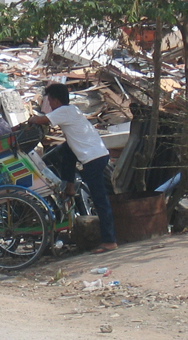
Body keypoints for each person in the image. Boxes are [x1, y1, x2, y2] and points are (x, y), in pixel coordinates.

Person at [25, 83, 117, 254]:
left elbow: (41, 119)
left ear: (55, 100)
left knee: (100, 200)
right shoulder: (72, 110)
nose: (49, 105)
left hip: (93, 159)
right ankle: (69, 186)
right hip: (97, 154)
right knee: (66, 150)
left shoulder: (63, 111)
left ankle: (109, 240)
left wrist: (31, 120)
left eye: (50, 101)